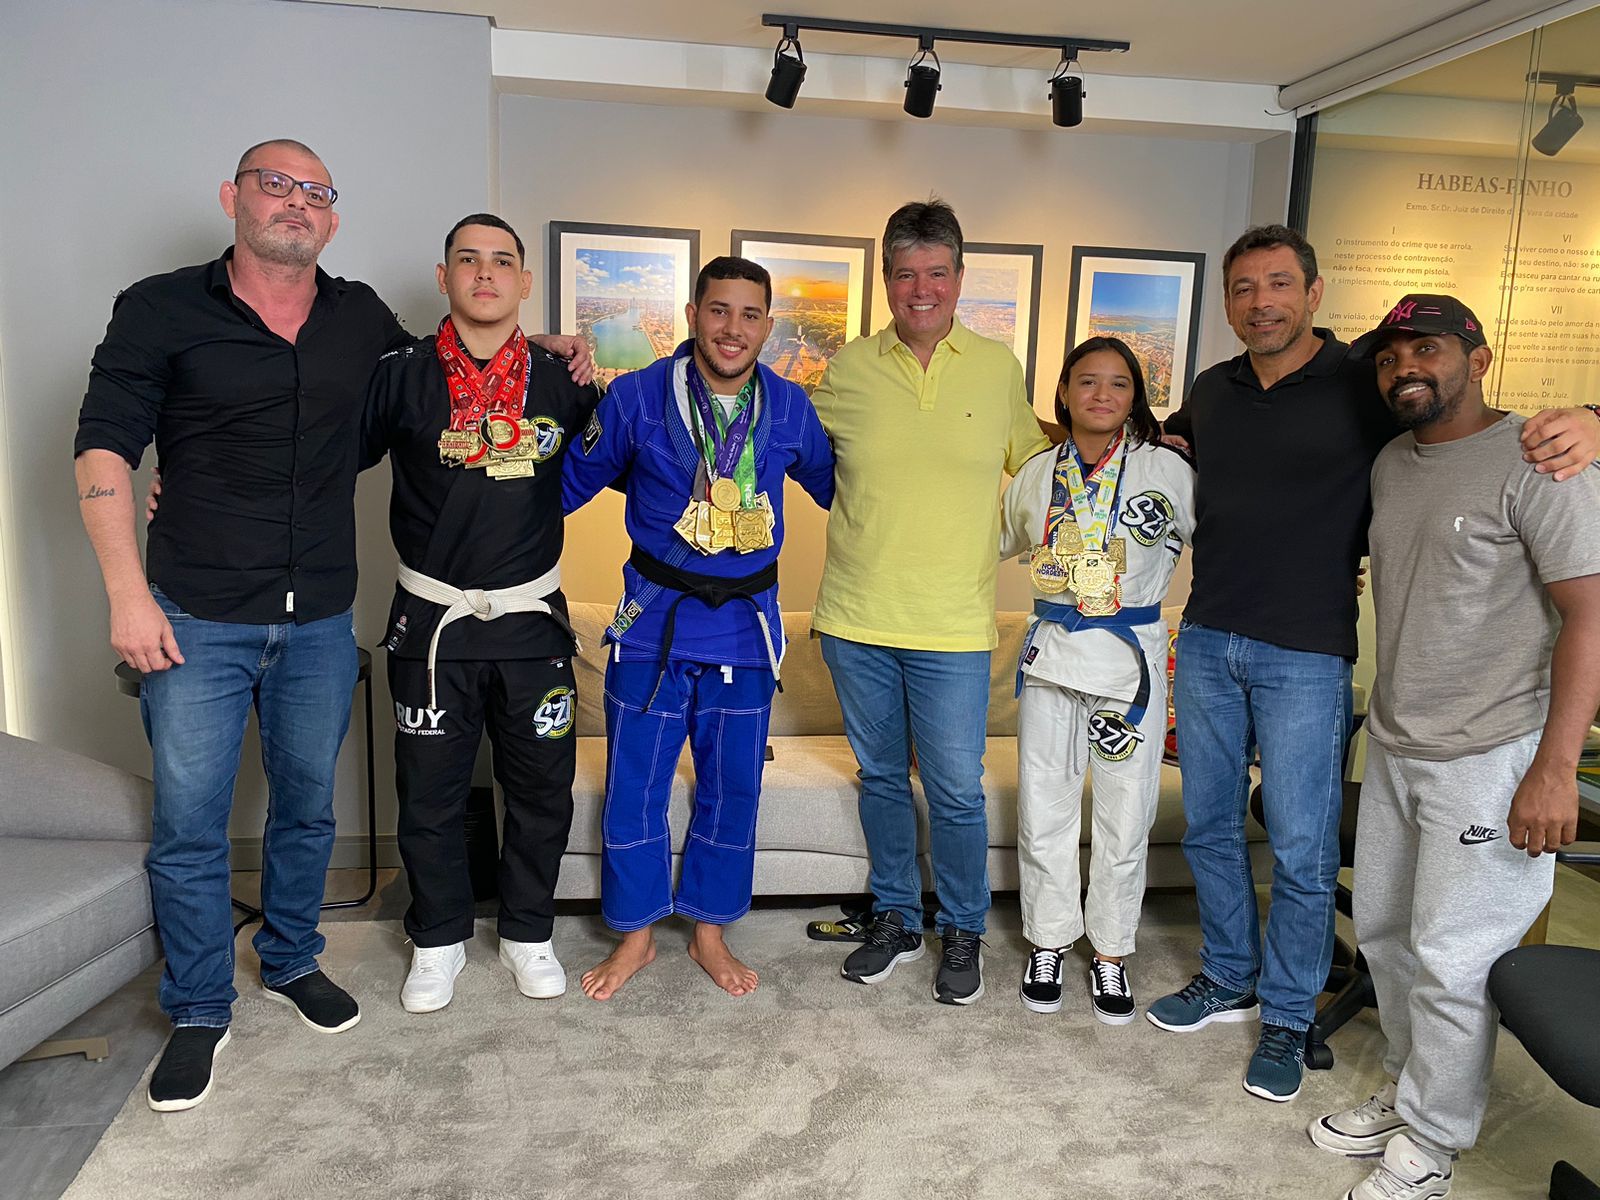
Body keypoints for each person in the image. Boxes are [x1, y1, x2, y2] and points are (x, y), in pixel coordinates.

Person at [74, 140, 589, 1112]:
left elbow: (470, 361)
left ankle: (293, 959)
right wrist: (127, 588)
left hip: (319, 615)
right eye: (274, 185)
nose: (294, 203)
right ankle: (200, 1009)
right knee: (192, 826)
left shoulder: (361, 321)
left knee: (309, 808)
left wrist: (555, 345)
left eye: (313, 192)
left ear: (333, 217)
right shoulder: (163, 307)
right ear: (233, 197)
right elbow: (106, 441)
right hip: (199, 610)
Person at [1148, 225, 1600, 1104]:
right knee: (1209, 827)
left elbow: (1472, 418)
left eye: (1279, 283)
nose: (1261, 302)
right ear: (1229, 303)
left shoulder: (1366, 381)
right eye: (1243, 288)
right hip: (1205, 638)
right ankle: (1229, 974)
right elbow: (1168, 447)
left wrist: (1590, 416)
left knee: (1302, 848)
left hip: (1309, 652)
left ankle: (1288, 1015)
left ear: (1313, 293)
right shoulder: (1211, 390)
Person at [1308, 295, 1600, 1200]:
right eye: (1390, 356)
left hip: (1492, 755)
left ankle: (1435, 1141)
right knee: (1389, 937)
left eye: (1427, 349)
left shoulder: (1541, 461)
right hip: (1399, 743)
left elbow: (1590, 618)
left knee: (1455, 956)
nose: (1406, 368)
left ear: (1478, 357)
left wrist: (1554, 769)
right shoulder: (1393, 463)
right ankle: (1414, 1092)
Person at [562, 256, 835, 1001]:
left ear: (768, 327)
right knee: (634, 787)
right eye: (719, 310)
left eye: (750, 315)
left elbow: (844, 490)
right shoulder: (637, 397)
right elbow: (563, 486)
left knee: (733, 789)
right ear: (692, 315)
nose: (732, 328)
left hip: (744, 629)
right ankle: (637, 934)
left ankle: (710, 932)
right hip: (652, 624)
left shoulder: (790, 407)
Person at [811, 199, 1051, 1006]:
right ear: (886, 280)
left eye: (937, 273)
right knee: (881, 779)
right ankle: (895, 917)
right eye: (906, 274)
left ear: (959, 277)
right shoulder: (847, 370)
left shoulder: (996, 367)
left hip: (952, 624)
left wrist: (1144, 447)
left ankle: (963, 927)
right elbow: (785, 449)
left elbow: (1043, 468)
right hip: (855, 619)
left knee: (954, 790)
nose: (922, 289)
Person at [358, 214, 599, 1013]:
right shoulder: (399, 376)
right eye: (468, 260)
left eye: (502, 262)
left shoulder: (565, 380)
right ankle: (437, 940)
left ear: (525, 282)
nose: (485, 274)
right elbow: (320, 460)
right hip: (431, 625)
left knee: (541, 792)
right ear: (445, 277)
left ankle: (529, 932)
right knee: (428, 795)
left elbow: (635, 456)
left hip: (532, 624)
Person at [1000, 337, 1194, 1023]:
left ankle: (1111, 950)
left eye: (1118, 383)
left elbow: (1228, 545)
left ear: (1135, 397)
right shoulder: (1035, 474)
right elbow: (985, 543)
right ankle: (1049, 940)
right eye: (1087, 381)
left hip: (1129, 664)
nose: (1102, 395)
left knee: (1126, 813)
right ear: (1063, 392)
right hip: (1053, 658)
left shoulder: (1168, 471)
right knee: (1044, 807)